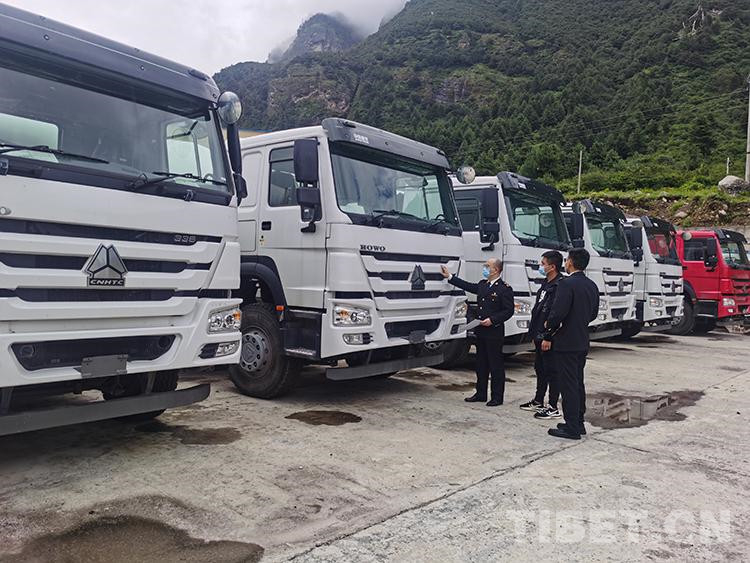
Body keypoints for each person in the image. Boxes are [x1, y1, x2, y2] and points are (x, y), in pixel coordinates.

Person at [540, 248, 599, 439]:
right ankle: (577, 422)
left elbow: (558, 311)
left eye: (567, 260)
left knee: (568, 386)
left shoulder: (566, 284)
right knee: (577, 383)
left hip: (566, 341)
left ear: (571, 262)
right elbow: (593, 314)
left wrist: (549, 325)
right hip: (581, 339)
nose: (565, 263)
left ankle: (572, 427)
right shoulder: (591, 285)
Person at [440, 258, 514, 406]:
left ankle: (497, 397)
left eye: (488, 266)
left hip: (494, 332)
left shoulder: (504, 289)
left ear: (495, 270)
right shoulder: (483, 285)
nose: (485, 268)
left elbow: (508, 311)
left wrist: (492, 320)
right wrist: (450, 277)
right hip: (481, 330)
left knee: (495, 365)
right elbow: (468, 286)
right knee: (481, 364)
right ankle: (481, 394)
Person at [520, 250, 564, 420]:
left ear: (552, 267)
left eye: (543, 264)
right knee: (540, 368)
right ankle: (539, 400)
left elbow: (555, 314)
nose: (540, 266)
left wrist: (548, 336)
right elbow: (539, 310)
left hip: (549, 337)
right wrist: (534, 333)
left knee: (552, 371)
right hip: (538, 334)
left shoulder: (560, 285)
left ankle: (553, 406)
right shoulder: (546, 283)